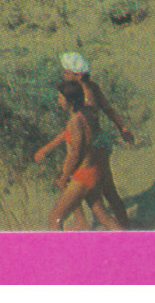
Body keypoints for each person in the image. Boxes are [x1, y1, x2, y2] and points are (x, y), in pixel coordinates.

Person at [33, 80, 121, 231]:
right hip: (94, 170)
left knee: (55, 219)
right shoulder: (87, 111)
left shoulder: (75, 121)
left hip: (83, 175)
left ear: (69, 102)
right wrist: (47, 149)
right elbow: (70, 134)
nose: (58, 100)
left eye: (60, 98)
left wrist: (65, 176)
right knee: (102, 215)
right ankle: (129, 243)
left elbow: (76, 152)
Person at [59, 52, 134, 227]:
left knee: (94, 189)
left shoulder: (83, 95)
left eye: (66, 72)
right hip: (99, 144)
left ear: (76, 75)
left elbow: (85, 124)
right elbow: (108, 108)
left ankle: (91, 222)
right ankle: (122, 225)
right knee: (107, 190)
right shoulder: (92, 87)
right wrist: (122, 127)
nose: (63, 76)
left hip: (93, 148)